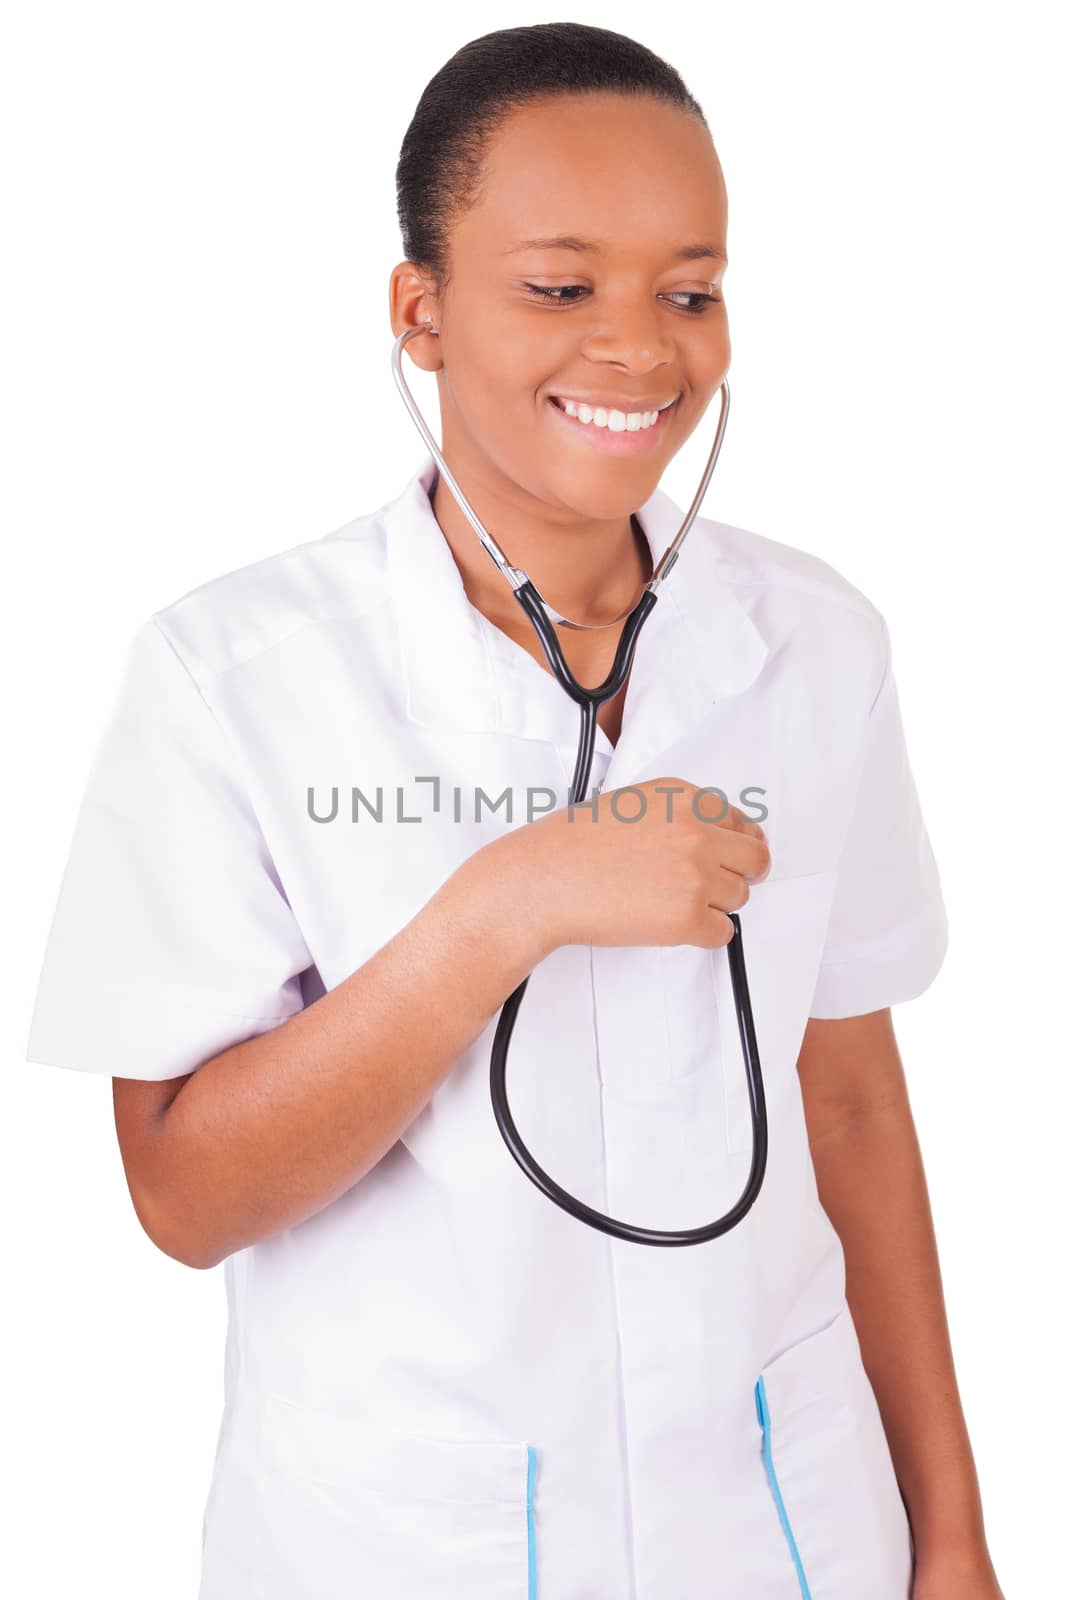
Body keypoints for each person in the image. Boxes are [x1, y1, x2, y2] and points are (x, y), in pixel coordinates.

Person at [24, 22, 1004, 1600]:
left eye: (688, 291)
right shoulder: (238, 677)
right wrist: (505, 909)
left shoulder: (818, 644)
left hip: (786, 1520)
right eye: (561, 287)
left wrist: (951, 1537)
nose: (639, 349)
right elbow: (180, 1195)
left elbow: (855, 1111)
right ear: (418, 310)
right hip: (406, 1543)